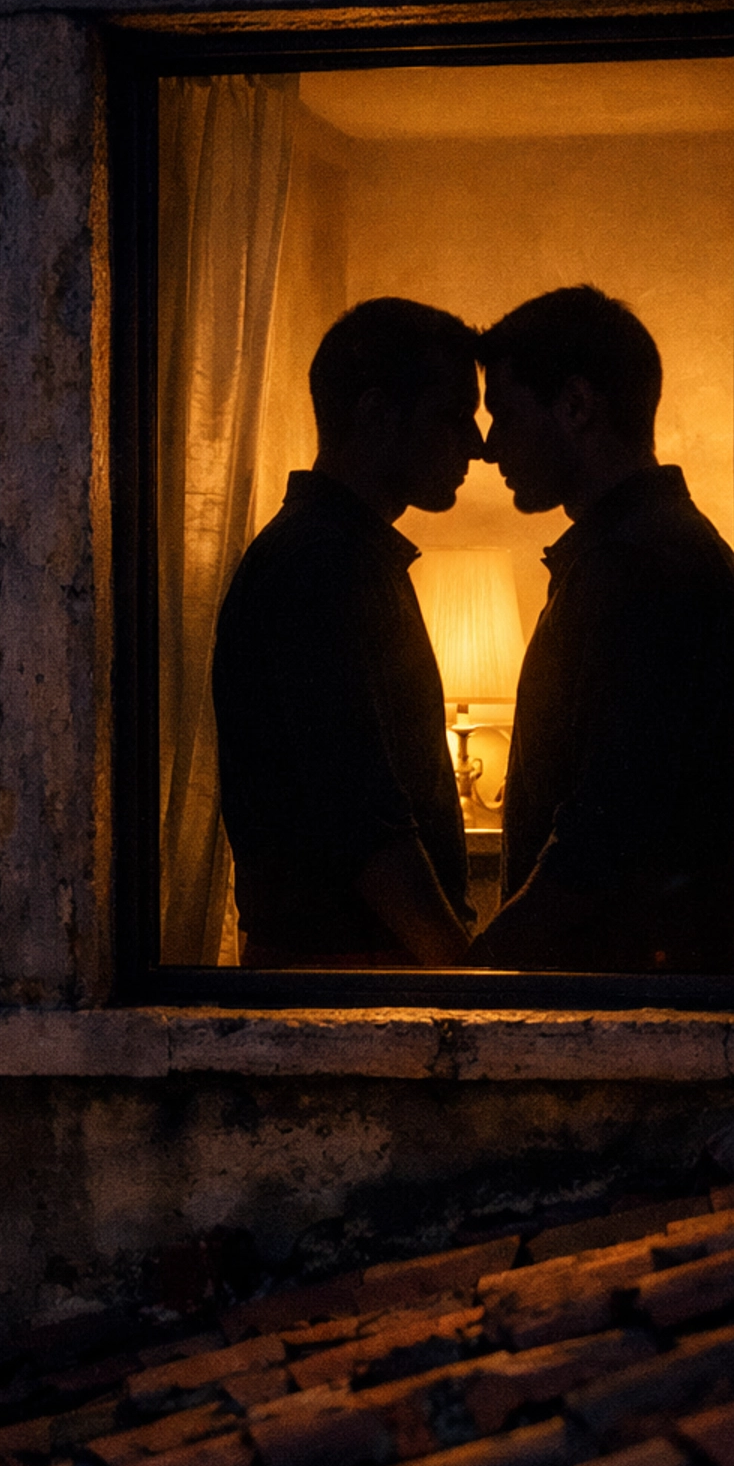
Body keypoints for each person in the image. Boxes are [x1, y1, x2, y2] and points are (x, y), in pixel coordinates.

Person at [469, 285, 734, 973]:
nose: (489, 447)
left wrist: (481, 972)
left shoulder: (638, 565)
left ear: (577, 407)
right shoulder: (644, 551)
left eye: (502, 413)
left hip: (626, 992)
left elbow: (607, 828)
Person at [213, 298, 482, 967]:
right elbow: (363, 818)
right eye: (454, 415)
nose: (476, 444)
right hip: (347, 979)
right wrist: (463, 974)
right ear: (376, 414)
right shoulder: (321, 565)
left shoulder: (338, 556)